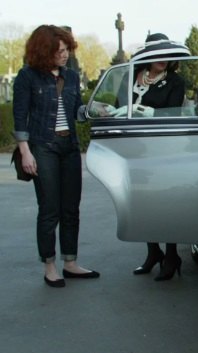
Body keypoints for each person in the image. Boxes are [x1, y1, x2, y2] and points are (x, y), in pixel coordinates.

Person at [12, 25, 99, 288]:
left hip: (69, 147)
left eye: (66, 50)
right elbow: (20, 117)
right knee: (50, 209)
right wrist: (26, 153)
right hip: (42, 147)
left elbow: (76, 111)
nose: (64, 55)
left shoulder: (71, 77)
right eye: (59, 51)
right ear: (44, 51)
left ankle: (70, 263)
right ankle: (50, 266)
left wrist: (95, 111)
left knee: (71, 208)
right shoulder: (27, 77)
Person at [124, 32, 191, 281]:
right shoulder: (132, 77)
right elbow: (123, 104)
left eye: (166, 54)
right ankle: (153, 252)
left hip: (164, 147)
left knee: (165, 200)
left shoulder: (175, 81)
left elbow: (172, 114)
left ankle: (172, 255)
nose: (162, 58)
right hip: (135, 147)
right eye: (157, 53)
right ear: (147, 56)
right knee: (141, 200)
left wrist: (147, 111)